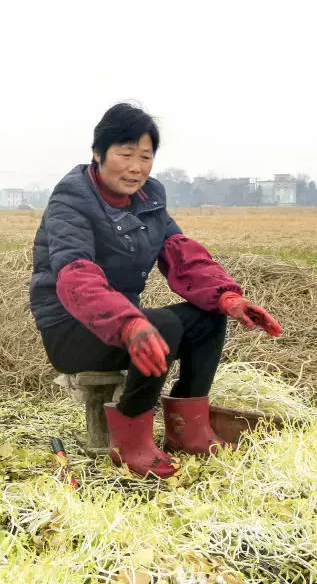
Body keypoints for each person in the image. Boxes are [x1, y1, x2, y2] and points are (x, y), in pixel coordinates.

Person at [30, 103, 283, 479]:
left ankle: (189, 431)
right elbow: (75, 277)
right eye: (125, 154)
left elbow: (182, 254)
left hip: (123, 325)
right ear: (98, 154)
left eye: (145, 156)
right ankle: (131, 442)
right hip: (71, 329)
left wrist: (228, 297)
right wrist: (129, 324)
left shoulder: (150, 198)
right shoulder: (72, 199)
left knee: (205, 317)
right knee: (161, 324)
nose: (136, 167)